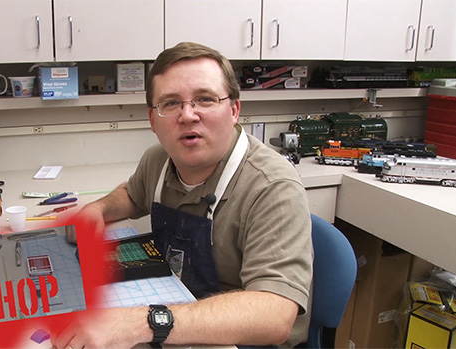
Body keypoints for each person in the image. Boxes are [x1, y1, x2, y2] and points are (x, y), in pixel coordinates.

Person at [54, 42, 313, 349]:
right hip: (176, 321)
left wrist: (140, 323)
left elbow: (275, 315)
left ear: (234, 110)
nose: (188, 115)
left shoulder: (272, 186)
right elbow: (132, 195)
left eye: (205, 99)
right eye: (171, 103)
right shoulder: (159, 160)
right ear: (152, 120)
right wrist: (97, 210)